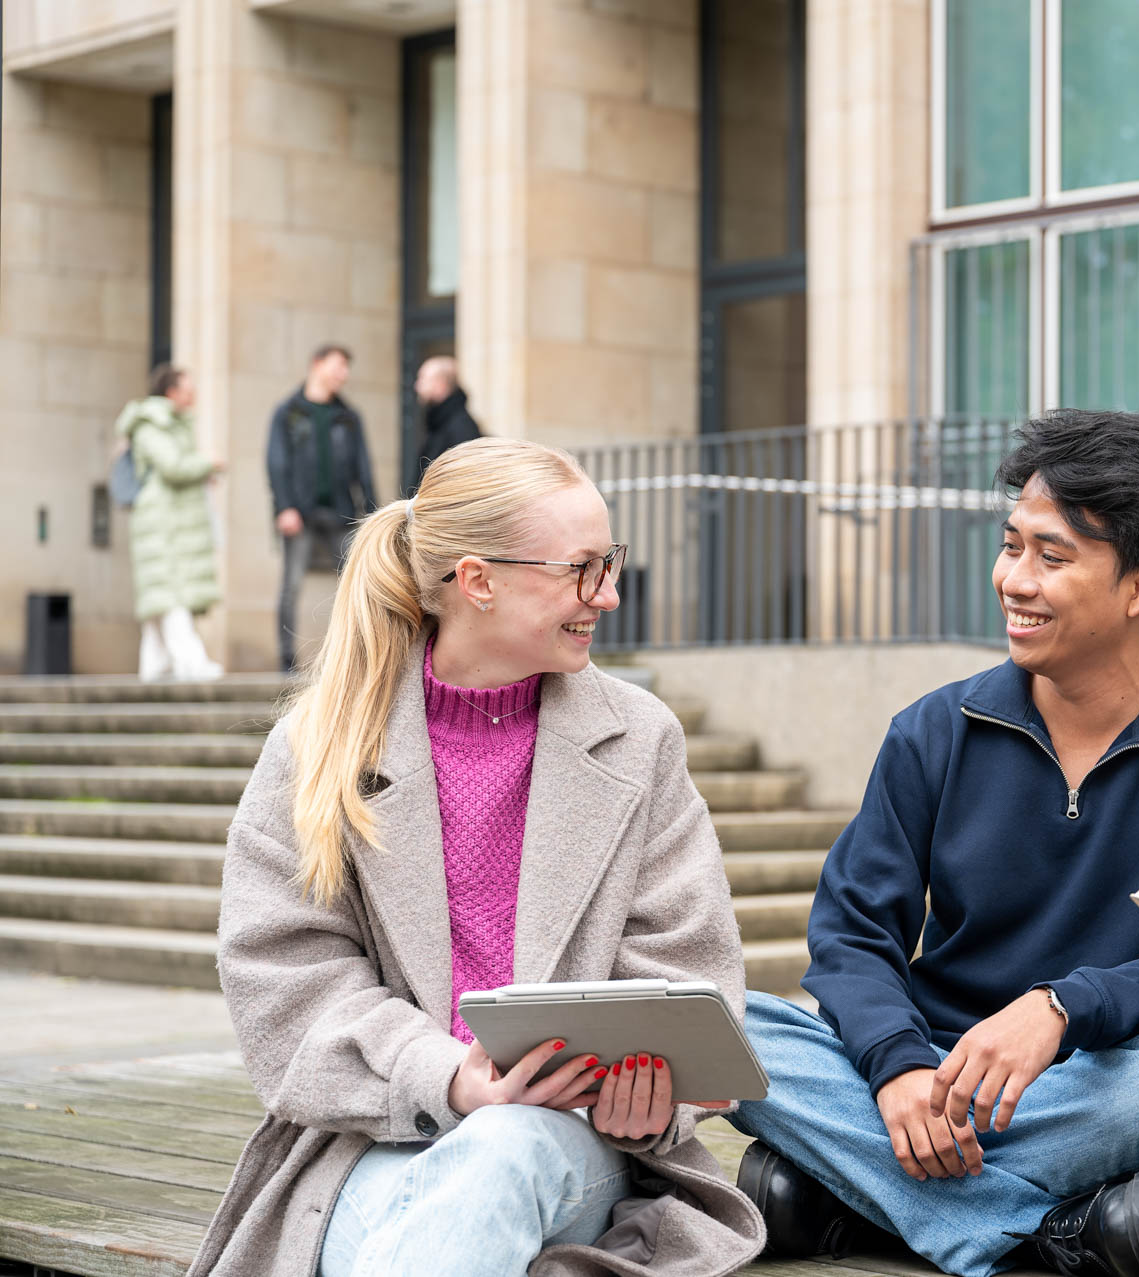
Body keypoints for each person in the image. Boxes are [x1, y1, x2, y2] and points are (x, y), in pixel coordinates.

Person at [187, 438, 764, 1277]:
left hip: (574, 1148)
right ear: (477, 580)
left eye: (611, 563)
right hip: (369, 1150)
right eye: (579, 569)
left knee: (505, 1148)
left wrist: (651, 1098)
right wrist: (452, 1076)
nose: (606, 594)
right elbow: (284, 984)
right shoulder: (316, 746)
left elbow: (686, 963)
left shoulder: (641, 742)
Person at [730, 410, 1139, 1277]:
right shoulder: (935, 730)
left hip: (1086, 1080)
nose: (1013, 578)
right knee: (730, 1019)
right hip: (923, 1069)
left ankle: (853, 1191)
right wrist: (899, 1068)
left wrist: (1061, 1008)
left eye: (1051, 557)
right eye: (1011, 544)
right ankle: (1032, 1226)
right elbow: (852, 932)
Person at [267, 343, 377, 673]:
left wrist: (372, 513)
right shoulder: (288, 412)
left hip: (342, 512)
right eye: (337, 366)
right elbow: (276, 463)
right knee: (291, 586)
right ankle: (287, 661)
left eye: (346, 368)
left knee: (357, 584)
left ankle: (353, 659)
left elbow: (364, 467)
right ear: (317, 364)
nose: (342, 374)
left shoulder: (348, 416)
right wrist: (284, 507)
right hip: (299, 513)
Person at [116, 364, 225, 681]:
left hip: (170, 521)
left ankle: (154, 667)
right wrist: (208, 463)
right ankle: (191, 663)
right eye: (187, 389)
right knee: (172, 594)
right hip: (161, 523)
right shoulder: (152, 424)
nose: (192, 395)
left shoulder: (170, 425)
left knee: (160, 598)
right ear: (171, 392)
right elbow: (172, 466)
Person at [408, 355, 483, 496]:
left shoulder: (461, 427)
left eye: (422, 379)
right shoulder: (438, 422)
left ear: (440, 384)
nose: (417, 386)